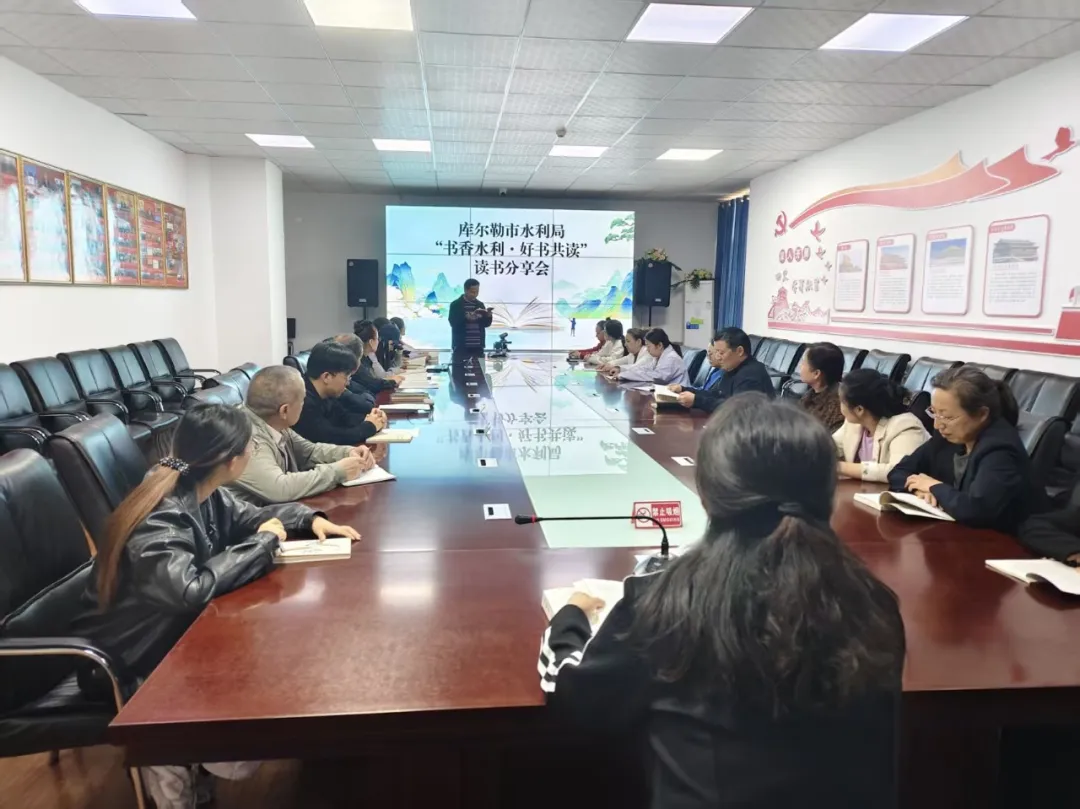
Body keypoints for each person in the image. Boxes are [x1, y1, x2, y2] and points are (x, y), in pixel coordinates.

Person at [539, 395, 905, 809]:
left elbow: (576, 702)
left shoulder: (667, 600)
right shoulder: (873, 602)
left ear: (707, 496)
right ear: (827, 492)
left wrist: (570, 617)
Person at [69, 404, 359, 808]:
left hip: (165, 637)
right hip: (127, 660)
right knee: (255, 715)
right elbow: (189, 589)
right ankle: (171, 766)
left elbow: (254, 516)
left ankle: (190, 764)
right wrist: (263, 543)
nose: (251, 454)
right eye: (248, 448)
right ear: (232, 460)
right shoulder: (161, 516)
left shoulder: (200, 489)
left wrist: (307, 520)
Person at [888, 365, 1048, 531]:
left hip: (1004, 540)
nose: (937, 424)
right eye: (934, 412)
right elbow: (899, 472)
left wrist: (933, 487)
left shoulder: (1000, 449)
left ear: (981, 414)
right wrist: (919, 491)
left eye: (947, 416)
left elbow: (977, 510)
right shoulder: (948, 436)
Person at [230, 366, 377, 505]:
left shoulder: (274, 422)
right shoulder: (247, 438)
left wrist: (347, 452)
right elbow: (280, 488)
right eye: (302, 400)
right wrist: (337, 472)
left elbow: (309, 451)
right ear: (284, 411)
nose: (304, 405)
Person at [834, 368, 928, 482]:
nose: (840, 405)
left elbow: (898, 471)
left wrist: (837, 467)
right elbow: (829, 446)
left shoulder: (905, 426)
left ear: (859, 409)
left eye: (842, 402)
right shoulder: (854, 424)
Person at [293, 341, 386, 446]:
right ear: (327, 377)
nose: (348, 383)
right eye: (346, 377)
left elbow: (344, 418)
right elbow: (331, 437)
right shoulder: (302, 401)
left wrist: (373, 419)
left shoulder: (326, 393)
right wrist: (370, 427)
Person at [669, 327, 773, 413]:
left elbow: (736, 409)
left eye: (721, 353)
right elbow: (716, 395)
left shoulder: (751, 374)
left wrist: (697, 401)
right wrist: (683, 390)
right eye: (716, 352)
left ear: (739, 351)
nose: (718, 357)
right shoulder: (732, 368)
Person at [606, 328, 689, 386]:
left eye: (649, 346)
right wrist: (622, 371)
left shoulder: (671, 358)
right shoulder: (659, 356)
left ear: (659, 345)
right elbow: (644, 368)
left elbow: (655, 377)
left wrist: (624, 375)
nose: (647, 350)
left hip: (679, 396)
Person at [797, 342, 845, 433]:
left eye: (803, 363)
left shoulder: (838, 407)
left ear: (816, 374)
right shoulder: (811, 394)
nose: (800, 366)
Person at [350, 321, 403, 394]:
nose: (379, 341)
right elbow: (373, 384)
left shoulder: (365, 358)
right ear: (371, 342)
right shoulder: (359, 362)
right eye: (377, 339)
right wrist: (393, 381)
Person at [448, 278, 493, 355]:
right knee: (459, 363)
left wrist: (488, 316)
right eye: (472, 292)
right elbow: (453, 323)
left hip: (478, 346)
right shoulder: (455, 304)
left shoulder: (480, 304)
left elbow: (486, 324)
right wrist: (466, 317)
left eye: (477, 292)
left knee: (480, 363)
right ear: (465, 290)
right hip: (460, 347)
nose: (475, 294)